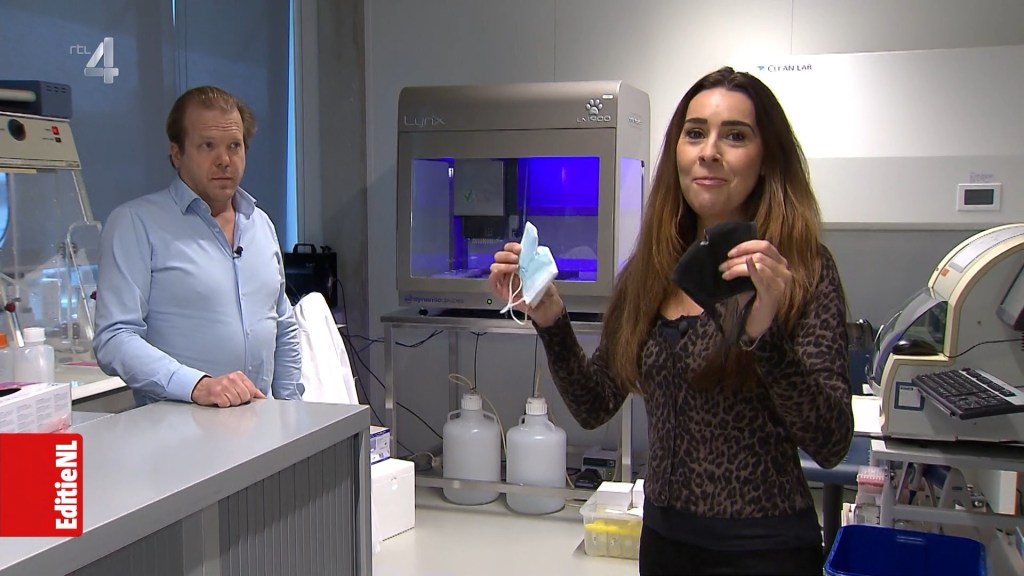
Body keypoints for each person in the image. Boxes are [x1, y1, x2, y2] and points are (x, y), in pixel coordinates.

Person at [488, 67, 853, 575]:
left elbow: (831, 442)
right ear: (676, 152)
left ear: (766, 158)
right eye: (695, 133)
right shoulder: (650, 272)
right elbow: (595, 404)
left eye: (735, 136)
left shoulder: (803, 270)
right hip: (664, 545)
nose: (710, 151)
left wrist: (764, 332)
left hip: (765, 549)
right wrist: (551, 318)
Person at [93, 86, 303, 408]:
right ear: (177, 153)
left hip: (261, 423)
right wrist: (196, 385)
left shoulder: (260, 224)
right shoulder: (136, 224)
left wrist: (291, 410)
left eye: (234, 146)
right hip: (178, 426)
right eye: (208, 146)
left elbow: (283, 325)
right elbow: (114, 337)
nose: (224, 160)